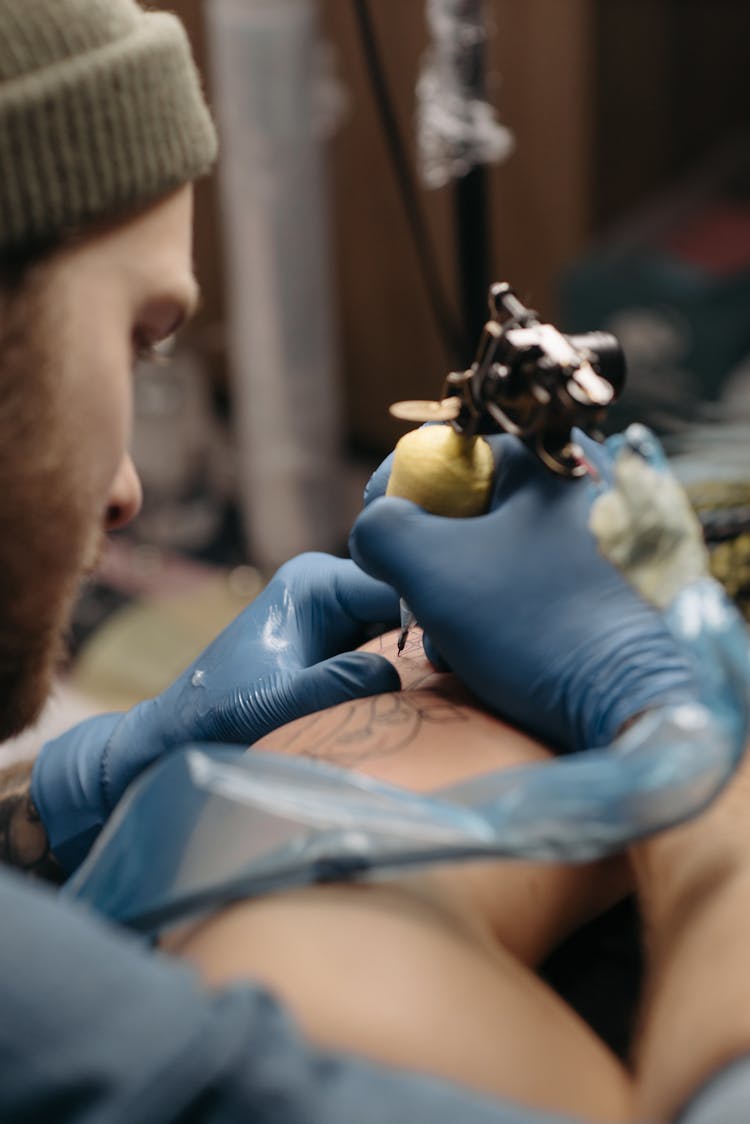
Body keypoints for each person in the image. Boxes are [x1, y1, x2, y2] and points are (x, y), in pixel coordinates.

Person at [0, 3, 747, 1122]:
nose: (128, 491)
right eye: (132, 336)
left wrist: (52, 801)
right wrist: (685, 737)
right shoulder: (286, 1010)